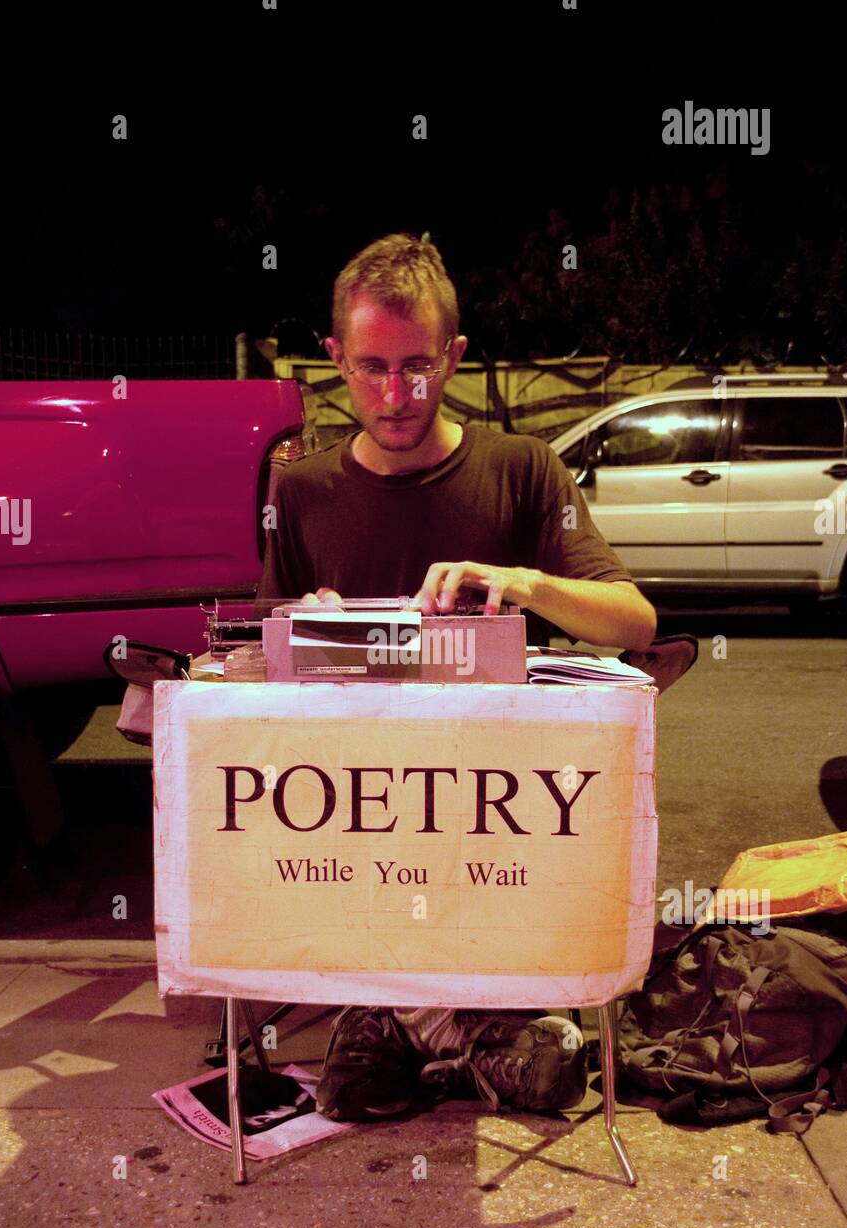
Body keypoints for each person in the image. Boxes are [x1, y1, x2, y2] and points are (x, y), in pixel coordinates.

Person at [257, 232, 657, 1122]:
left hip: (497, 830)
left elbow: (634, 621)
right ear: (334, 362)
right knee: (355, 1096)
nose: (395, 396)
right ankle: (444, 1032)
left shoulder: (522, 469)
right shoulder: (303, 491)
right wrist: (300, 630)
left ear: (454, 358)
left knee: (460, 1064)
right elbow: (256, 665)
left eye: (416, 368)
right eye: (370, 369)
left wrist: (521, 582)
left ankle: (451, 1024)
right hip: (363, 831)